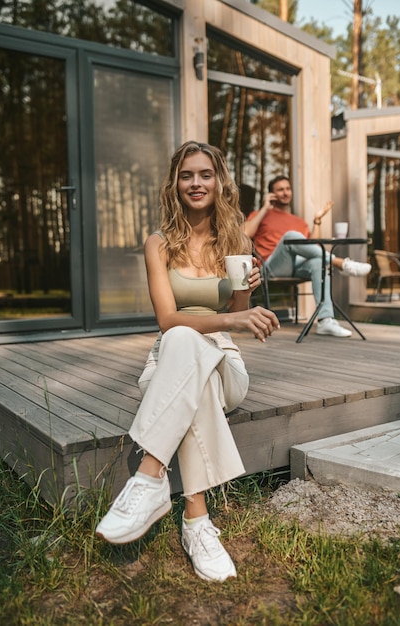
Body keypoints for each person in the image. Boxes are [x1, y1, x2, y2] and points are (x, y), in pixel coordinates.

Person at [95, 141, 280, 582]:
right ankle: (196, 522)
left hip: (225, 362)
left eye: (205, 174)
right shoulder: (158, 244)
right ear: (175, 184)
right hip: (169, 362)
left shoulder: (236, 241)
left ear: (219, 182)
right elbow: (165, 319)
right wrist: (235, 315)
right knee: (180, 337)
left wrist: (246, 292)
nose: (196, 183)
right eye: (186, 175)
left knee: (197, 358)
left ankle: (149, 477)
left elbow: (236, 314)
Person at [244, 175, 371, 338]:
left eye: (288, 189)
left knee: (318, 261)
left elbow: (313, 246)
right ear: (272, 194)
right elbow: (245, 233)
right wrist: (264, 208)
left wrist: (317, 221)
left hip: (295, 266)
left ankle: (325, 321)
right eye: (280, 190)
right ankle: (341, 263)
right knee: (290, 236)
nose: (285, 193)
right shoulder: (260, 214)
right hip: (270, 267)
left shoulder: (299, 222)